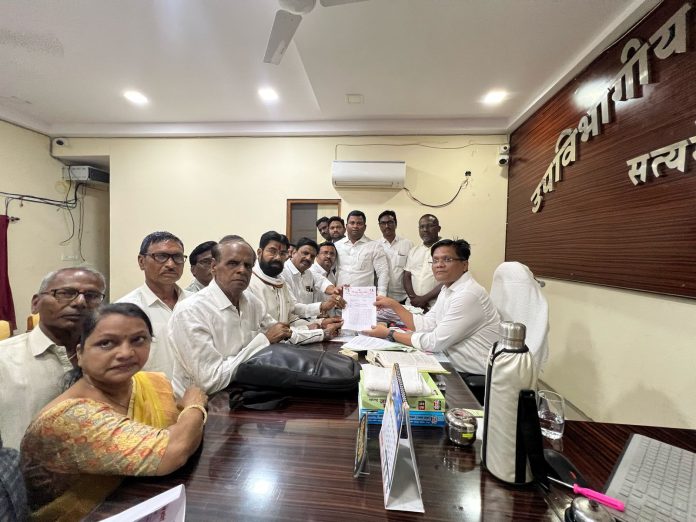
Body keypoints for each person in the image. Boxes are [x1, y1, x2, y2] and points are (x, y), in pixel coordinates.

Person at [20, 303, 207, 521]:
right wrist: (194, 405)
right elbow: (173, 451)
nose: (126, 353)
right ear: (79, 354)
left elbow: (180, 434)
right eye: (106, 343)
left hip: (139, 503)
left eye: (138, 340)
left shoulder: (151, 382)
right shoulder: (70, 417)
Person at [168, 237, 293, 396]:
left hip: (243, 396)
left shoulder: (251, 302)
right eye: (233, 263)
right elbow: (210, 381)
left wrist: (318, 332)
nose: (242, 270)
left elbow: (280, 332)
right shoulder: (191, 311)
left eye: (248, 265)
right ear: (214, 266)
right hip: (202, 406)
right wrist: (264, 341)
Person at [0, 267, 106, 450]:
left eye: (92, 296)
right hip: (17, 466)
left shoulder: (113, 359)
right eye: (66, 293)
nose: (80, 302)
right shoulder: (4, 360)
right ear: (35, 303)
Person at [363, 239, 500, 375]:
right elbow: (426, 324)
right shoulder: (447, 288)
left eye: (447, 259)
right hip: (449, 362)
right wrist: (393, 305)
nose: (439, 265)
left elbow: (434, 342)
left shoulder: (468, 294)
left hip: (471, 372)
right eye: (435, 260)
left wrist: (389, 334)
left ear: (464, 265)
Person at [118, 231, 191, 377]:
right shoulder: (126, 310)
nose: (170, 264)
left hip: (199, 390)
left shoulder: (197, 303)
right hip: (150, 391)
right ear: (141, 262)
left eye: (177, 257)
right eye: (161, 256)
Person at [248, 232, 342, 344]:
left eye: (282, 253)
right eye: (272, 251)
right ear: (259, 252)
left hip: (285, 344)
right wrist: (321, 333)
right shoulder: (250, 284)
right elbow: (277, 333)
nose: (278, 257)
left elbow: (290, 317)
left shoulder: (280, 281)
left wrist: (320, 323)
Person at [281, 237, 344, 313]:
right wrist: (322, 306)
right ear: (294, 252)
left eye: (312, 256)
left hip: (308, 319)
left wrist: (335, 290)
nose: (308, 258)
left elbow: (321, 281)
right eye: (305, 253)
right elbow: (293, 307)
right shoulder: (282, 273)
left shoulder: (308, 273)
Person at [334, 210, 389, 295]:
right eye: (352, 223)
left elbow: (383, 272)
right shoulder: (337, 245)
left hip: (364, 298)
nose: (355, 226)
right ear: (346, 226)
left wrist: (381, 294)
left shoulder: (375, 246)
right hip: (341, 296)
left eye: (359, 223)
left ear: (365, 227)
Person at [404, 214, 443, 310]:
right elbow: (407, 276)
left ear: (438, 228)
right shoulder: (414, 251)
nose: (425, 230)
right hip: (412, 305)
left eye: (430, 226)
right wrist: (413, 298)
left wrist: (424, 299)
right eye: (422, 227)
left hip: (435, 306)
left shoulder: (446, 250)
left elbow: (449, 279)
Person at [377, 210, 413, 303]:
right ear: (379, 226)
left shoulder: (408, 244)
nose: (386, 226)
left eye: (390, 222)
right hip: (381, 296)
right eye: (383, 223)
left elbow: (412, 271)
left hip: (403, 297)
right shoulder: (375, 245)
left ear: (395, 224)